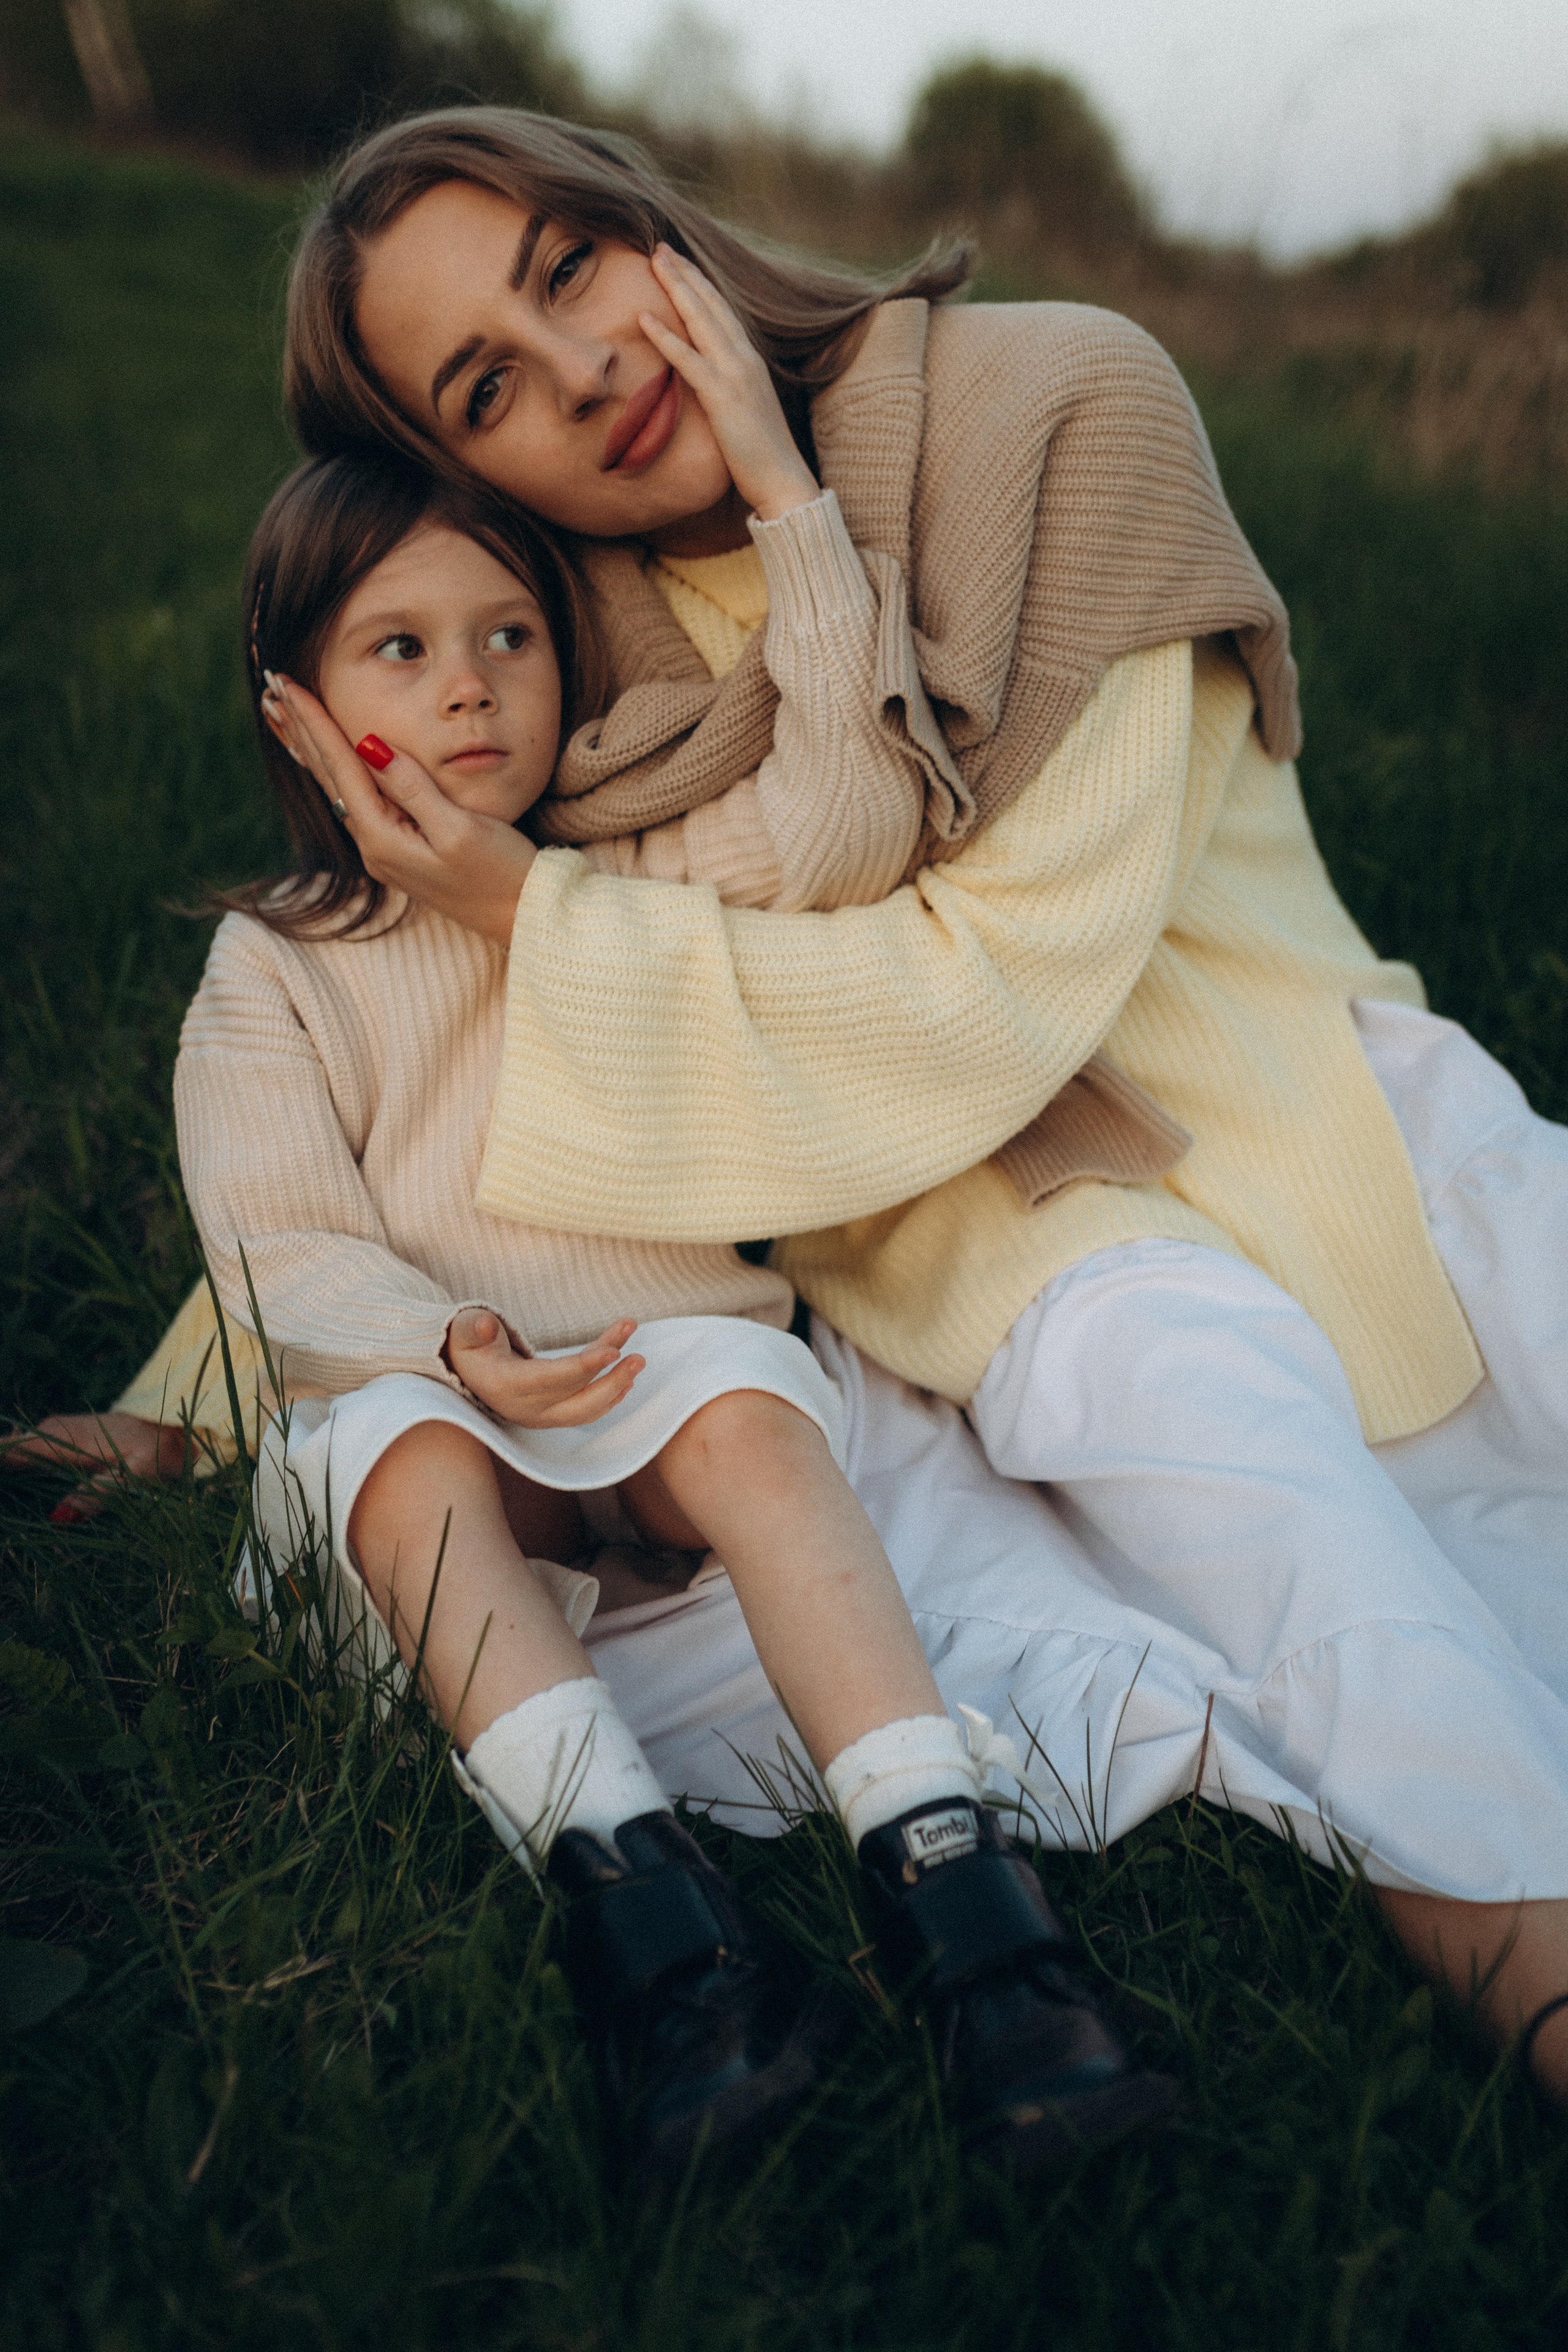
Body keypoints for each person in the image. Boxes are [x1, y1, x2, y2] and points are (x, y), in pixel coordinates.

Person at [12, 105, 1568, 2106]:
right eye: (486, 388)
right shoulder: (550, 656)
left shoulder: (1051, 413)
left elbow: (992, 998)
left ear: (645, 217)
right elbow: (404, 1075)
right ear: (453, 472)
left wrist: (545, 897)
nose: (584, 371)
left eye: (569, 268)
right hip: (1003, 1248)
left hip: (1309, 1108)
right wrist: (206, 1402)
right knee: (1338, 1600)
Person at [170, 439, 1183, 2170]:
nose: (471, 685)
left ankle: (963, 1905)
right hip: (443, 1408)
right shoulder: (276, 963)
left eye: (508, 635)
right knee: (393, 1459)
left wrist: (792, 509)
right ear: (297, 708)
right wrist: (453, 1348)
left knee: (741, 1411)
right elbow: (275, 1236)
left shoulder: (622, 886)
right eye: (399, 648)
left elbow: (852, 810)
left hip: (647, 1375)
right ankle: (653, 1931)